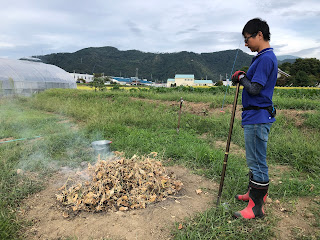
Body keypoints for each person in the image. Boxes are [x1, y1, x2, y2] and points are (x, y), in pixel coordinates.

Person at [231, 18, 278, 219]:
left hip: (258, 117)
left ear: (259, 35)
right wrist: (242, 77)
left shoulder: (266, 58)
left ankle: (256, 208)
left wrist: (242, 78)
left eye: (247, 38)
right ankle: (254, 194)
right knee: (254, 159)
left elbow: (255, 89)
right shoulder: (262, 57)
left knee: (257, 161)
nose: (245, 43)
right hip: (254, 115)